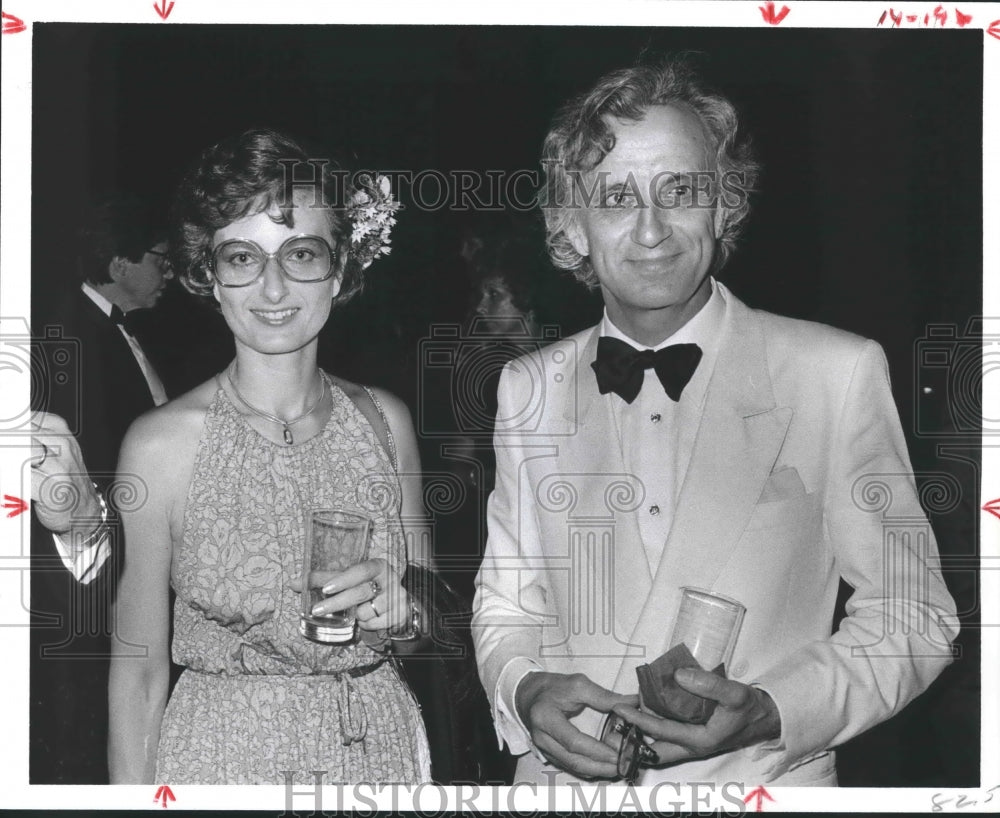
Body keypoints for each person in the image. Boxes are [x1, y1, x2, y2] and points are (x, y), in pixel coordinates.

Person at [471, 58, 958, 787]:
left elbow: (916, 616)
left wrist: (772, 709)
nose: (651, 230)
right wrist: (522, 688)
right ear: (570, 225)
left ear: (725, 202)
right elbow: (507, 606)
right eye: (614, 198)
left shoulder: (834, 372)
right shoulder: (527, 388)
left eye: (680, 190)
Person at [108, 128, 432, 785]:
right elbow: (137, 675)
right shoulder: (159, 445)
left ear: (340, 269)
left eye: (302, 253)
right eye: (242, 258)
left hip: (375, 752)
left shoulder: (385, 422)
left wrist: (404, 612)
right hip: (222, 760)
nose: (275, 286)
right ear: (209, 276)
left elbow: (424, 623)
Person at [29, 194, 174, 784]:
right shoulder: (68, 332)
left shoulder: (121, 333)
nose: (168, 273)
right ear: (120, 265)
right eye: (160, 260)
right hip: (91, 566)